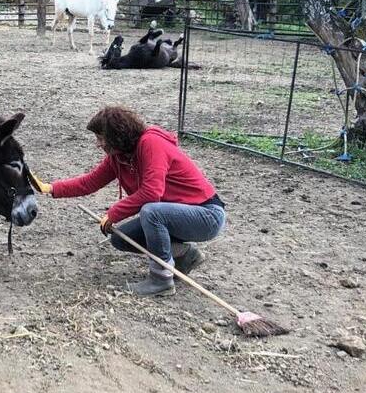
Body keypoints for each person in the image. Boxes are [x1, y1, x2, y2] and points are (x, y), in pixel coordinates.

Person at [31, 106, 226, 297]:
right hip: (178, 215)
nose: (98, 144)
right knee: (121, 237)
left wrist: (114, 213)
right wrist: (50, 188)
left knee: (151, 211)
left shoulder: (151, 144)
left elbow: (151, 192)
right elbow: (89, 182)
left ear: (117, 135)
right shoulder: (119, 157)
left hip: (206, 215)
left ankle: (161, 280)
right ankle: (184, 255)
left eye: (101, 138)